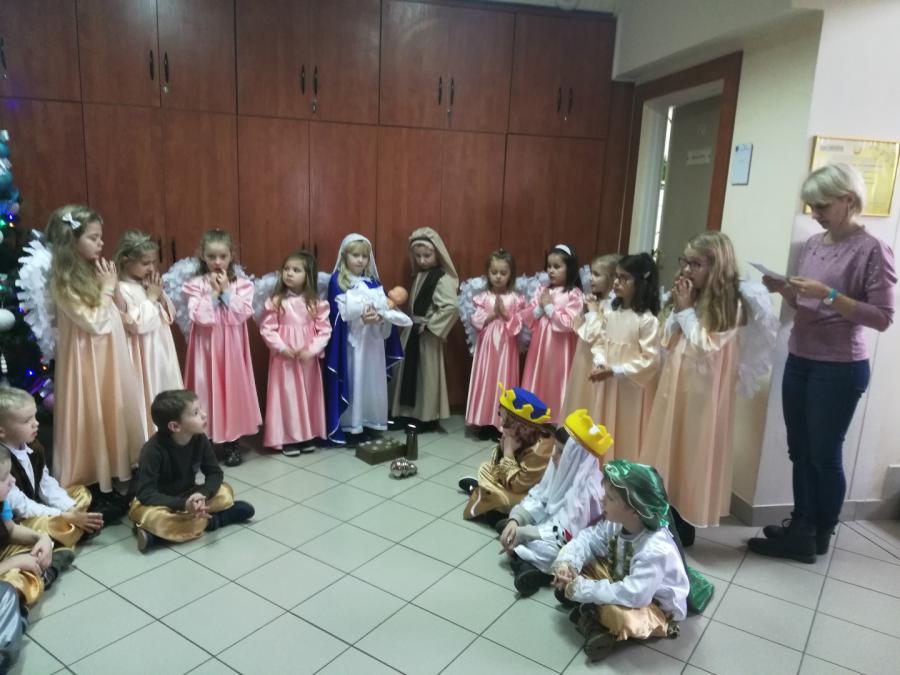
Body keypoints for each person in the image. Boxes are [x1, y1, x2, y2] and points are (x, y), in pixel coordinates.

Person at [750, 163, 896, 562]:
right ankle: (802, 527)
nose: (814, 213)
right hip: (801, 357)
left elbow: (882, 317)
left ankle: (820, 532)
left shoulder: (873, 249)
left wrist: (829, 294)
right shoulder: (814, 244)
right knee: (799, 450)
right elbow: (805, 305)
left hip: (839, 367)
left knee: (824, 454)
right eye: (811, 206)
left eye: (822, 205)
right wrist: (785, 290)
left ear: (848, 200)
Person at [641, 232, 752, 541]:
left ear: (716, 267)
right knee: (669, 445)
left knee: (691, 451)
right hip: (676, 384)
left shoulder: (730, 306)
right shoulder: (690, 298)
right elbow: (666, 339)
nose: (687, 270)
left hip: (703, 394)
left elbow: (706, 345)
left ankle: (684, 522)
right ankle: (664, 511)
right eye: (685, 262)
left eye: (696, 264)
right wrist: (677, 312)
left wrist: (686, 310)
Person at [46, 205, 144, 504]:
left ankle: (121, 470)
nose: (101, 243)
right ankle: (94, 477)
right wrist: (107, 288)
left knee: (115, 407)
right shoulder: (62, 280)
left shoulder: (96, 270)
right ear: (71, 240)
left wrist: (113, 290)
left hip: (110, 355)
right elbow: (94, 322)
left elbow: (119, 312)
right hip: (86, 360)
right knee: (94, 409)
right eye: (93, 237)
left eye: (101, 237)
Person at [551, 460, 689, 662]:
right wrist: (567, 564)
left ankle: (593, 620)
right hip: (621, 577)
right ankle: (588, 608)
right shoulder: (618, 523)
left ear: (635, 509)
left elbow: (635, 595)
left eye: (610, 498)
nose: (602, 499)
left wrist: (582, 588)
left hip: (651, 603)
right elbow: (588, 539)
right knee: (583, 563)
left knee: (620, 616)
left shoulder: (655, 550)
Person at [500, 411, 611, 596]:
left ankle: (529, 568)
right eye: (555, 448)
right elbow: (539, 497)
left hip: (568, 538)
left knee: (548, 551)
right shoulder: (560, 467)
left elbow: (566, 533)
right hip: (549, 526)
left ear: (574, 457)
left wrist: (524, 533)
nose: (553, 455)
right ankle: (522, 556)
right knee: (518, 522)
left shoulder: (589, 491)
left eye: (560, 451)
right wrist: (517, 520)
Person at [129, 390, 255, 552]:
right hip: (160, 503)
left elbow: (215, 473)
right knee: (154, 518)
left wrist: (202, 494)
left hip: (188, 495)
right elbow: (146, 494)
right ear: (175, 426)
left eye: (200, 409)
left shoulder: (199, 438)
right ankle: (217, 519)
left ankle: (162, 534)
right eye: (195, 413)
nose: (203, 415)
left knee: (224, 492)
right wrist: (183, 505)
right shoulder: (152, 451)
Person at [182, 229, 261, 467]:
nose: (217, 262)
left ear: (231, 256)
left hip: (231, 348)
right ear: (203, 256)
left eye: (222, 256)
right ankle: (203, 442)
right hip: (205, 349)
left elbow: (242, 313)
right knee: (205, 389)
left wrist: (226, 292)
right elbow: (199, 316)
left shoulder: (242, 285)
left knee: (231, 389)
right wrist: (214, 294)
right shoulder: (195, 285)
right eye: (211, 256)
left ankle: (232, 442)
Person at [323, 234, 409, 445]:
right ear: (345, 256)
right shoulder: (338, 281)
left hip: (373, 343)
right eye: (355, 255)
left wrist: (381, 318)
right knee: (355, 379)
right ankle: (352, 425)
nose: (360, 260)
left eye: (364, 256)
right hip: (353, 345)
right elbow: (335, 315)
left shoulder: (373, 282)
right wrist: (360, 318)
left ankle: (369, 422)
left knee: (371, 382)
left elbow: (386, 307)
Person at [0, 387, 103, 548]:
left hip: (39, 507)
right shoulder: (3, 463)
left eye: (35, 416)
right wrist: (62, 515)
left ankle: (75, 527)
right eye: (27, 421)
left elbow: (46, 484)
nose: (36, 423)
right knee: (46, 524)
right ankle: (70, 532)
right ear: (2, 431)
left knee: (81, 492)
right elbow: (21, 506)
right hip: (19, 520)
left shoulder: (34, 447)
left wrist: (70, 509)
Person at [582, 253, 661, 462]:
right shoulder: (611, 313)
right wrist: (600, 362)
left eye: (624, 278)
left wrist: (616, 370)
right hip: (608, 384)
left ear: (641, 283)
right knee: (603, 426)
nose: (616, 282)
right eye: (616, 276)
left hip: (630, 389)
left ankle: (619, 473)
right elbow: (600, 341)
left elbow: (650, 360)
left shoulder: (646, 320)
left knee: (625, 434)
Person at [259, 250, 331, 456]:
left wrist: (311, 350)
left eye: (296, 270)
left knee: (307, 395)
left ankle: (307, 434)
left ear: (308, 275)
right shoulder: (276, 301)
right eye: (286, 269)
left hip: (306, 358)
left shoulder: (316, 303)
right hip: (285, 358)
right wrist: (282, 348)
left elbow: (324, 330)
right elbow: (267, 329)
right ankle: (288, 437)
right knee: (288, 396)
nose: (289, 273)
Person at [113, 230, 183, 437]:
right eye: (145, 263)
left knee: (167, 390)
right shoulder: (121, 289)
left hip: (162, 351)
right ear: (126, 261)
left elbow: (169, 315)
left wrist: (159, 296)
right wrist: (151, 298)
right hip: (142, 354)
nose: (151, 268)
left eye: (153, 262)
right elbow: (135, 324)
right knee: (148, 394)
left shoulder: (148, 284)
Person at [391, 227, 459, 431]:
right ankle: (405, 414)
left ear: (437, 253)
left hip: (426, 334)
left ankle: (426, 418)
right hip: (413, 330)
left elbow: (451, 306)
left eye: (427, 255)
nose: (422, 260)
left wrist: (430, 326)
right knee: (407, 373)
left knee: (426, 376)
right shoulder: (421, 275)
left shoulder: (442, 278)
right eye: (418, 256)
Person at [459, 384, 554, 525]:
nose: (502, 424)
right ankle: (487, 498)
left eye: (505, 420)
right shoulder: (517, 435)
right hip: (511, 481)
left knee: (501, 499)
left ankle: (483, 495)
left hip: (529, 493)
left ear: (519, 425)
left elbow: (519, 486)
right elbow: (496, 464)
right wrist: (504, 448)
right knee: (485, 468)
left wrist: (508, 452)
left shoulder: (540, 449)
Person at [0, 445, 75, 608]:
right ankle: (46, 572)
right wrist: (15, 562)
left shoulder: (2, 502)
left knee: (42, 536)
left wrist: (41, 538)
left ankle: (43, 568)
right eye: (5, 477)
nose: (12, 481)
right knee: (12, 583)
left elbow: (11, 530)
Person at [464, 249, 526, 438]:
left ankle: (501, 423)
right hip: (488, 346)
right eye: (494, 272)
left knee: (503, 380)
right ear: (488, 273)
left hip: (506, 346)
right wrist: (492, 315)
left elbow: (518, 324)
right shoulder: (483, 297)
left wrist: (505, 315)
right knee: (486, 379)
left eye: (503, 273)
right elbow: (475, 320)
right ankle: (484, 422)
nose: (498, 277)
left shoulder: (515, 298)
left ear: (511, 274)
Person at [521, 245, 584, 423]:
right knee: (538, 374)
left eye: (557, 267)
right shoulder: (542, 290)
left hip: (561, 347)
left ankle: (556, 417)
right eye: (549, 266)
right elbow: (529, 316)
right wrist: (540, 308)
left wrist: (549, 307)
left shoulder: (574, 294)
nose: (551, 271)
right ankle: (534, 414)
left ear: (570, 268)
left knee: (556, 378)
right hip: (540, 345)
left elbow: (570, 323)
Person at [562, 253, 620, 415]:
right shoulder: (596, 301)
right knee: (579, 394)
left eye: (597, 274)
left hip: (595, 359)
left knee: (590, 399)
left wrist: (593, 311)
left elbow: (598, 335)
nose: (590, 278)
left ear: (612, 278)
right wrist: (586, 310)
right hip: (583, 356)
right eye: (591, 273)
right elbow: (579, 329)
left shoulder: (612, 307)